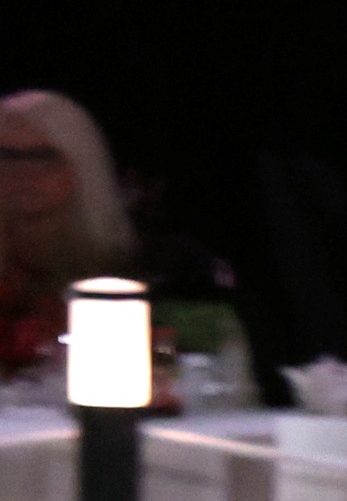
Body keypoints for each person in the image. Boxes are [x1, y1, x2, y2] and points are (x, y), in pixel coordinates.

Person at [0, 90, 231, 384]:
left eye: (43, 156)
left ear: (81, 162)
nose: (23, 173)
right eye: (7, 156)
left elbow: (193, 355)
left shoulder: (151, 265)